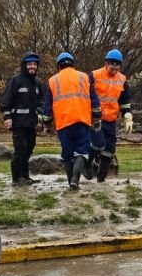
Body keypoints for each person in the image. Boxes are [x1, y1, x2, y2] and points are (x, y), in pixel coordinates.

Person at [41, 52, 101, 190]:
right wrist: (97, 117)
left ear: (58, 66)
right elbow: (94, 98)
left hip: (63, 123)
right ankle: (75, 180)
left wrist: (47, 123)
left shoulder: (53, 80)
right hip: (82, 120)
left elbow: (47, 105)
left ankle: (70, 183)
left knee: (67, 154)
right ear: (72, 64)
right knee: (81, 152)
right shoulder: (84, 77)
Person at [0, 51, 45, 186]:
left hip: (31, 124)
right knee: (20, 150)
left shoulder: (38, 83)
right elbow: (5, 100)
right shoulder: (16, 80)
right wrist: (7, 117)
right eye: (30, 64)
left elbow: (41, 102)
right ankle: (16, 178)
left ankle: (25, 176)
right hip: (18, 122)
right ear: (24, 65)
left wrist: (42, 116)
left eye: (34, 64)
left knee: (29, 149)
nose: (32, 66)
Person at [88, 49, 134, 182]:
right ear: (106, 63)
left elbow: (125, 101)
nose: (114, 66)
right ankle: (86, 164)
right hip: (95, 119)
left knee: (110, 149)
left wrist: (127, 116)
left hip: (111, 119)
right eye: (112, 63)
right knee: (98, 144)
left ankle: (101, 179)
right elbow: (85, 94)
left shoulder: (122, 79)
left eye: (117, 64)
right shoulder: (94, 75)